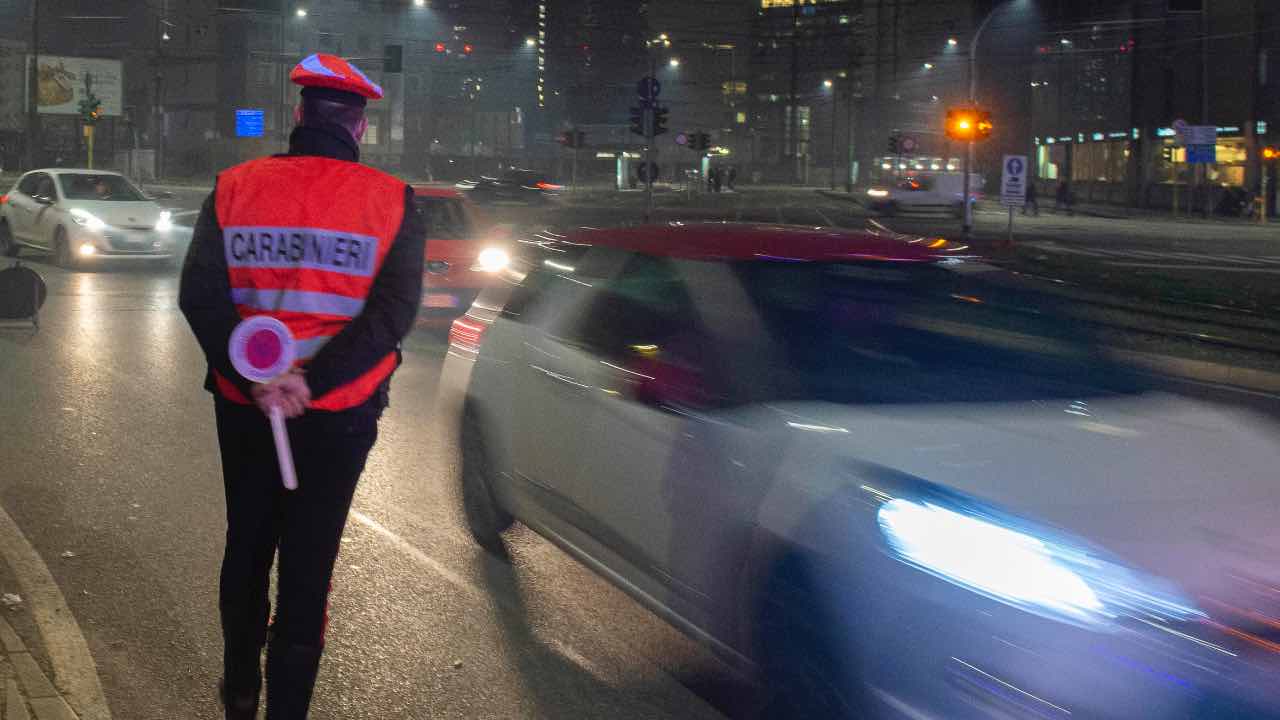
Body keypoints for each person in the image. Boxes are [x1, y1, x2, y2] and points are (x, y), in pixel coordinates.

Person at [179, 53, 425, 720]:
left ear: (298, 117)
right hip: (339, 415)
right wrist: (308, 382)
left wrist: (257, 381)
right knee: (309, 565)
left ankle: (239, 692)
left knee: (248, 544)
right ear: (360, 127)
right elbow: (390, 318)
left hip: (246, 407)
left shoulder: (232, 187)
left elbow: (200, 298)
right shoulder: (393, 201)